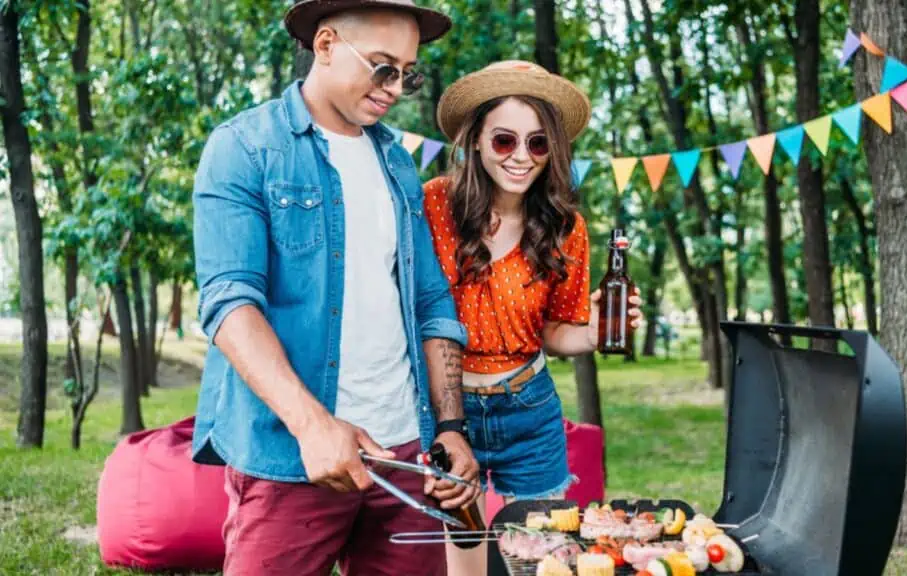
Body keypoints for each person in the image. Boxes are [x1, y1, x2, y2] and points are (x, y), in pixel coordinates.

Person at [189, 2, 480, 575]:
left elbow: (430, 303)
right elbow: (228, 302)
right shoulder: (244, 148)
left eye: (407, 73)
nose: (396, 88)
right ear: (325, 45)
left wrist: (450, 427)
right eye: (382, 67)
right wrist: (314, 426)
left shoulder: (398, 163)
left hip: (406, 454)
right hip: (290, 454)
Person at [422, 60, 644, 573]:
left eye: (538, 143)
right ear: (476, 140)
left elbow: (553, 332)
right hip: (449, 410)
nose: (522, 157)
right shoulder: (434, 203)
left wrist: (592, 332)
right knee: (466, 554)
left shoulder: (566, 226)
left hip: (530, 409)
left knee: (545, 556)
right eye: (505, 141)